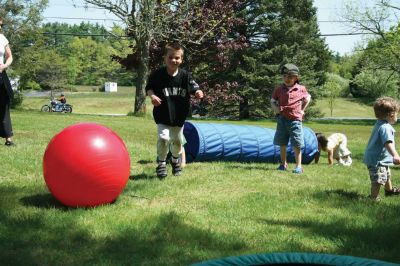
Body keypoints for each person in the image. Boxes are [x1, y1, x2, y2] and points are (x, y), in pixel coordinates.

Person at [146, 43, 203, 178]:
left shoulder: (185, 76)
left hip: (179, 116)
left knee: (177, 142)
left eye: (177, 58)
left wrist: (198, 92)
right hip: (162, 114)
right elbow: (149, 88)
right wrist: (152, 96)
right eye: (170, 57)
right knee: (163, 138)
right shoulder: (158, 75)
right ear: (165, 58)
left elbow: (194, 87)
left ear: (181, 59)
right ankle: (161, 163)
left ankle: (175, 160)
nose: (174, 60)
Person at [271, 63, 311, 174]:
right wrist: (276, 109)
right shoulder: (279, 89)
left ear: (296, 78)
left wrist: (302, 110)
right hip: (282, 120)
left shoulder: (301, 89)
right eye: (284, 76)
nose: (287, 79)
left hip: (295, 121)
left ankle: (299, 166)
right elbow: (272, 101)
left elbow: (308, 98)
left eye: (290, 77)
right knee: (282, 143)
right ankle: (283, 164)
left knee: (296, 143)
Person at [364, 97, 400, 201]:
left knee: (387, 175)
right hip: (377, 160)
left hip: (379, 159)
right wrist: (395, 155)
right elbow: (387, 143)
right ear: (391, 115)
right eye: (397, 114)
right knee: (378, 180)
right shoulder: (386, 127)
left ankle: (389, 191)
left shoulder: (380, 123)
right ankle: (373, 198)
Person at [0, 17, 14, 146]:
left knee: (4, 105)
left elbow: (9, 56)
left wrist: (5, 66)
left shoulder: (3, 38)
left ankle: (8, 138)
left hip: (1, 74)